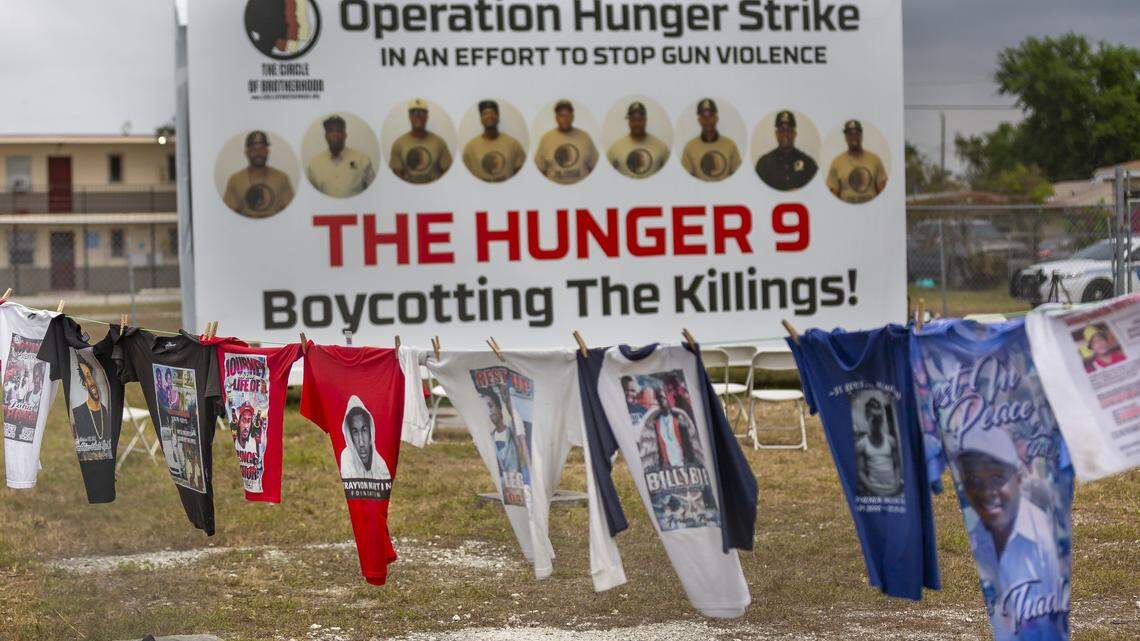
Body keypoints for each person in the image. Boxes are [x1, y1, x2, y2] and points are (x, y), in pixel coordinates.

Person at [955, 427, 1066, 640]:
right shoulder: (980, 531)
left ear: (1017, 478)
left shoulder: (1041, 537)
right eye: (974, 480)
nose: (986, 491)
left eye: (997, 478)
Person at [222, 130, 295, 218]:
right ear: (247, 153)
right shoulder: (235, 180)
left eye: (261, 149)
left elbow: (290, 212)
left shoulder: (281, 178)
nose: (258, 153)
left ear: (267, 151)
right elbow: (228, 215)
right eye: (254, 149)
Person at [305, 115, 376, 197]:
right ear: (326, 136)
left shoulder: (362, 160)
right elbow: (311, 197)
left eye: (339, 131)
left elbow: (374, 192)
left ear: (345, 135)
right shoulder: (314, 164)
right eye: (331, 131)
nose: (335, 134)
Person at [534, 99, 598, 185]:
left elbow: (594, 166)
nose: (565, 119)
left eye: (568, 115)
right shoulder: (546, 139)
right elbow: (540, 168)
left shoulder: (585, 137)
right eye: (561, 115)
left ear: (573, 117)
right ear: (556, 118)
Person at [389, 99, 453, 184]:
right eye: (414, 113)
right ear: (409, 117)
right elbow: (397, 172)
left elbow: (447, 170)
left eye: (422, 113)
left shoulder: (439, 142)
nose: (418, 116)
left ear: (427, 116)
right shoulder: (399, 143)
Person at [462, 99, 526, 183]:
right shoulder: (470, 148)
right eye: (485, 113)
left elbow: (521, 173)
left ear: (498, 117)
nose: (489, 116)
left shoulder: (513, 144)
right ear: (481, 119)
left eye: (492, 113)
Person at [826, 120, 888, 203]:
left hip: (871, 212)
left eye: (856, 133)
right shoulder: (837, 162)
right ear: (845, 137)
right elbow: (833, 198)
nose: (853, 137)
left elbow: (884, 194)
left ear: (861, 135)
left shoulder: (875, 160)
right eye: (850, 134)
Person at [680, 98, 741, 182]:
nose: (708, 120)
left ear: (716, 118)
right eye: (704, 117)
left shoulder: (730, 145)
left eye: (711, 116)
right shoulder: (690, 147)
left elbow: (738, 177)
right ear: (699, 121)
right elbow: (685, 180)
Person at [754, 110, 818, 190]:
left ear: (794, 134)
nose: (785, 135)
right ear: (776, 134)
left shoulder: (808, 163)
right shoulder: (764, 163)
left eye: (789, 131)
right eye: (782, 131)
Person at [607, 101, 669, 179]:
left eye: (640, 119)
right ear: (629, 122)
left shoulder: (661, 147)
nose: (637, 123)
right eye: (633, 120)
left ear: (645, 120)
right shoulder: (616, 148)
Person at [854, 396, 902, 497]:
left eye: (879, 418)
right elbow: (861, 472)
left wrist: (896, 486)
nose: (877, 422)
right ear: (867, 417)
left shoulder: (890, 441)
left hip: (893, 489)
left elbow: (897, 466)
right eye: (874, 418)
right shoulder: (862, 444)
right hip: (874, 492)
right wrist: (875, 490)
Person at [643, 388, 697, 469]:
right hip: (668, 465)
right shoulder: (656, 422)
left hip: (683, 462)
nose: (661, 401)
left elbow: (687, 441)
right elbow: (658, 445)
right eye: (658, 399)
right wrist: (662, 464)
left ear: (667, 399)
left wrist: (690, 460)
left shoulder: (678, 418)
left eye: (662, 397)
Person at [340, 404, 389, 480]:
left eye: (364, 430)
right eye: (355, 432)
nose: (361, 443)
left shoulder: (380, 465)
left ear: (371, 433)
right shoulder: (346, 458)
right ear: (350, 437)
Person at [70, 359, 109, 445]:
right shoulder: (77, 413)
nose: (91, 382)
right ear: (84, 384)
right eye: (86, 378)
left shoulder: (105, 411)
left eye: (90, 376)